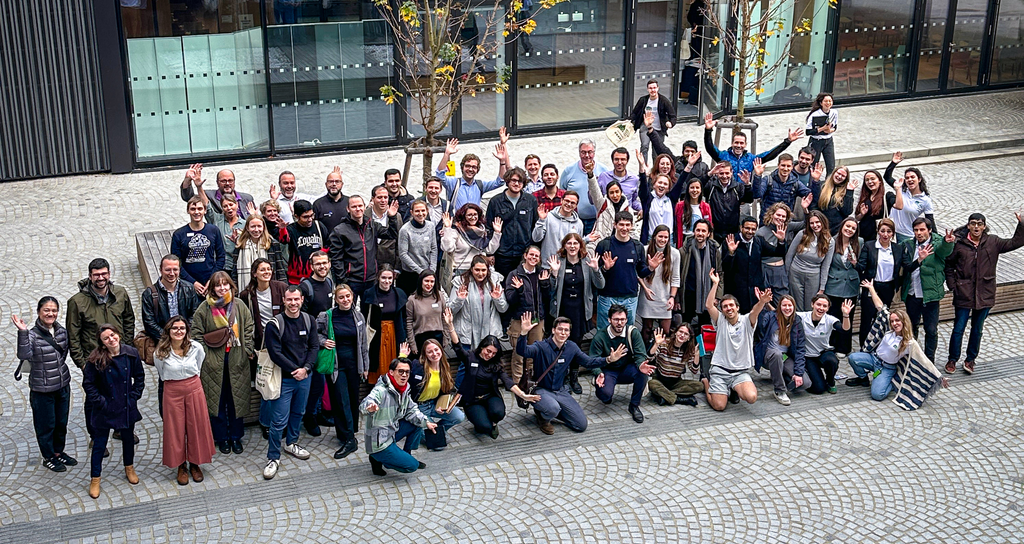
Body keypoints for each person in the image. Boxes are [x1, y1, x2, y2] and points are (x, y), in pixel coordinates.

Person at [67, 258, 136, 451]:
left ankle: (122, 428)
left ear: (109, 274)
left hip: (119, 357)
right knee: (95, 400)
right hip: (94, 361)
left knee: (122, 393)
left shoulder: (120, 293)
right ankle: (96, 436)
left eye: (104, 273)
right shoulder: (77, 302)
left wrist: (127, 347)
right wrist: (83, 364)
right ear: (90, 276)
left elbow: (129, 319)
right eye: (96, 274)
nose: (101, 277)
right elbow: (73, 336)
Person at [517, 311, 625, 434]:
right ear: (553, 330)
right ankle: (543, 417)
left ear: (569, 333)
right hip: (542, 389)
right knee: (552, 408)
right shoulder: (541, 346)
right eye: (560, 329)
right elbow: (523, 351)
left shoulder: (571, 347)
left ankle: (554, 410)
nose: (563, 333)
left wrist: (608, 359)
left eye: (566, 330)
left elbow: (588, 362)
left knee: (581, 425)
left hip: (560, 390)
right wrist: (523, 333)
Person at [944, 212, 1024, 374]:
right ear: (968, 226)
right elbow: (948, 264)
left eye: (979, 224)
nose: (976, 227)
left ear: (984, 226)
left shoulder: (993, 242)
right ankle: (952, 359)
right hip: (964, 293)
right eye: (973, 223)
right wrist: (953, 285)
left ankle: (970, 360)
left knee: (977, 329)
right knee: (958, 328)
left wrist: (1022, 225)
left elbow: (1015, 242)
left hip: (985, 293)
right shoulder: (959, 244)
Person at [193, 271, 255, 455]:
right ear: (212, 287)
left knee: (237, 400)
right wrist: (207, 357)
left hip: (237, 359)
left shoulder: (239, 305)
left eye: (225, 284)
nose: (222, 288)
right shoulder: (204, 308)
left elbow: (249, 327)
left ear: (231, 286)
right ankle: (221, 438)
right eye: (218, 285)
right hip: (214, 362)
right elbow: (196, 334)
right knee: (217, 401)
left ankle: (236, 437)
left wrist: (247, 350)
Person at [262, 285, 318, 480]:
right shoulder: (274, 324)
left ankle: (291, 443)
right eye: (289, 300)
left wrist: (307, 368)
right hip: (284, 379)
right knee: (278, 421)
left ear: (302, 300)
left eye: (297, 300)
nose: (293, 303)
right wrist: (295, 370)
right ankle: (273, 457)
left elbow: (314, 346)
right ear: (283, 301)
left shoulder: (309, 320)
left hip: (304, 377)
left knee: (298, 413)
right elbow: (274, 353)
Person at [82, 325, 145, 499]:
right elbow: (88, 384)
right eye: (106, 338)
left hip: (125, 405)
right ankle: (95, 478)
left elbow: (139, 377)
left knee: (127, 439)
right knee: (99, 445)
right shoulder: (95, 359)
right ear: (101, 342)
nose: (111, 339)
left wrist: (133, 397)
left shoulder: (131, 353)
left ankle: (129, 467)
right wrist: (100, 402)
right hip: (104, 408)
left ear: (118, 334)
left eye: (112, 335)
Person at [13, 297, 75, 472]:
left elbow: (63, 355)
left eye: (54, 310)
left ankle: (58, 452)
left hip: (62, 385)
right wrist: (23, 332)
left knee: (61, 422)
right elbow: (24, 354)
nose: (50, 313)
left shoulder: (61, 332)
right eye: (46, 310)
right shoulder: (31, 335)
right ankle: (48, 456)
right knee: (46, 424)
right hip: (42, 390)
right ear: (39, 311)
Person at [152, 316, 216, 486]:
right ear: (168, 331)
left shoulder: (196, 347)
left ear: (187, 330)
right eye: (175, 328)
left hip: (193, 388)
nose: (179, 331)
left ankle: (195, 464)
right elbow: (161, 373)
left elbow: (199, 366)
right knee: (176, 429)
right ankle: (181, 466)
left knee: (196, 426)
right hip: (172, 391)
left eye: (182, 328)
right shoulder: (160, 352)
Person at [848, 281, 934, 401]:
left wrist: (939, 378)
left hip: (887, 368)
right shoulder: (889, 327)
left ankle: (894, 381)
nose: (894, 323)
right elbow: (880, 306)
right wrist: (871, 288)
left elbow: (923, 360)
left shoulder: (909, 342)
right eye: (893, 321)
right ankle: (863, 378)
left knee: (877, 395)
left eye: (897, 321)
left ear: (904, 321)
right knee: (853, 358)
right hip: (874, 359)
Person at [702, 270, 773, 411]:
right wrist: (715, 284)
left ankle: (732, 389)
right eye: (725, 307)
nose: (728, 308)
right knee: (719, 406)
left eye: (731, 305)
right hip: (720, 371)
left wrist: (762, 302)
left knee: (751, 398)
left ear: (737, 307)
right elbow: (709, 306)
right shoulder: (720, 321)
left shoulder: (747, 321)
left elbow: (754, 312)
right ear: (722, 310)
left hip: (740, 372)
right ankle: (706, 382)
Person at [360, 358, 438, 476]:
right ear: (391, 372)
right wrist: (369, 407)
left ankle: (405, 454)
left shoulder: (404, 389)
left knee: (417, 424)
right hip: (380, 441)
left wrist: (426, 422)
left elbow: (411, 410)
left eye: (407, 372)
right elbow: (365, 403)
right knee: (412, 466)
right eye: (400, 371)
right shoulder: (381, 390)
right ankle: (379, 458)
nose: (404, 375)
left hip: (392, 432)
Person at [547, 233, 605, 394]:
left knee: (575, 345)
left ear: (580, 246)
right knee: (560, 344)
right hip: (563, 310)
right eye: (569, 243)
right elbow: (551, 289)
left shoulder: (586, 263)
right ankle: (562, 377)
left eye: (576, 243)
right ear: (564, 246)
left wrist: (596, 269)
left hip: (579, 310)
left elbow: (600, 284)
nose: (572, 246)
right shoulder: (559, 262)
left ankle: (574, 377)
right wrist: (554, 273)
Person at [316, 283, 369, 459]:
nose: (345, 300)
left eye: (348, 296)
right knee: (341, 400)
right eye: (341, 297)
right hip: (336, 366)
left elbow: (363, 344)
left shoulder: (358, 316)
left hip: (354, 365)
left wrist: (365, 367)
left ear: (352, 296)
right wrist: (323, 341)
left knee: (353, 400)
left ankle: (346, 430)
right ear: (336, 299)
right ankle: (349, 440)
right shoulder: (327, 316)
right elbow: (314, 334)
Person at [898, 219, 955, 363]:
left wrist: (948, 242)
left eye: (922, 230)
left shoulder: (936, 243)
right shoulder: (908, 245)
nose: (919, 233)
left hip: (930, 295)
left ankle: (930, 360)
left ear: (929, 230)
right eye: (916, 230)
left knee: (931, 330)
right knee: (911, 328)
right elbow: (906, 266)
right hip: (912, 294)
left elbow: (944, 250)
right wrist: (919, 259)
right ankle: (912, 357)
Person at [589, 305, 655, 423]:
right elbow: (593, 359)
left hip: (627, 368)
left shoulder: (632, 333)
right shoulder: (600, 336)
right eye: (616, 320)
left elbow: (640, 354)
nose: (619, 323)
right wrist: (598, 373)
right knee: (605, 395)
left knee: (642, 372)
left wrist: (641, 365)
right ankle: (606, 394)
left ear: (626, 320)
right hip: (608, 371)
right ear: (609, 320)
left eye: (622, 320)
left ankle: (634, 406)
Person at [328, 195, 401, 299]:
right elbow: (336, 258)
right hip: (351, 280)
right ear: (348, 209)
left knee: (369, 312)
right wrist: (342, 281)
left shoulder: (371, 225)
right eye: (354, 207)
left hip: (371, 279)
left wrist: (392, 217)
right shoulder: (340, 231)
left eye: (360, 206)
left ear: (364, 207)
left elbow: (391, 234)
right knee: (348, 310)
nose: (358, 209)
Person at [857, 218, 915, 346]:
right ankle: (864, 346)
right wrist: (854, 263)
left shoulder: (898, 248)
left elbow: (908, 266)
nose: (885, 234)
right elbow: (861, 266)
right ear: (878, 232)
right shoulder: (869, 246)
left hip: (888, 287)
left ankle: (879, 344)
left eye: (889, 231)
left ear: (893, 233)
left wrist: (919, 260)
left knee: (883, 317)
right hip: (872, 285)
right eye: (882, 231)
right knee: (867, 318)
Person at [703, 112, 803, 185]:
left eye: (741, 143)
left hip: (743, 199)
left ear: (745, 144)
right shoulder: (723, 156)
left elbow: (770, 154)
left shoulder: (751, 159)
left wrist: (787, 141)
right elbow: (710, 148)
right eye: (736, 142)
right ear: (732, 143)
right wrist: (708, 130)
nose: (739, 145)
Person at [594, 211, 655, 330]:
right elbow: (596, 275)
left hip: (630, 297)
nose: (624, 228)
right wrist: (605, 268)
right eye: (621, 224)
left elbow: (641, 272)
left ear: (632, 226)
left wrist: (650, 268)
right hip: (607, 297)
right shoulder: (604, 245)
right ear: (614, 225)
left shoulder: (637, 246)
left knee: (627, 331)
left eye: (627, 225)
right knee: (604, 331)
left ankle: (624, 349)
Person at [298, 251, 335, 437]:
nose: (322, 267)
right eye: (317, 264)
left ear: (329, 264)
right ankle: (309, 417)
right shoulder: (306, 287)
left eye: (324, 263)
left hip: (326, 340)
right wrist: (315, 341)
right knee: (314, 384)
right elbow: (300, 317)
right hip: (309, 343)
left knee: (323, 383)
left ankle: (319, 413)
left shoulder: (329, 282)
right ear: (311, 266)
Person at [408, 335, 466, 447]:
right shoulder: (417, 366)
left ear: (441, 350)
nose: (434, 354)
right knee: (437, 445)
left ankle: (436, 430)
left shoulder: (444, 366)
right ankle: (420, 431)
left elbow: (445, 390)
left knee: (459, 416)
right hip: (419, 407)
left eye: (436, 350)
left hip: (434, 404)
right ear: (425, 354)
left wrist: (442, 405)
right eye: (430, 352)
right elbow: (403, 375)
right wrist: (402, 356)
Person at [506, 246, 551, 386]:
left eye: (536, 256)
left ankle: (530, 381)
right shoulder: (514, 275)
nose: (533, 258)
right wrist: (519, 290)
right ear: (525, 255)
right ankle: (517, 383)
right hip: (520, 319)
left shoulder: (542, 274)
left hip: (537, 320)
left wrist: (545, 285)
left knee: (533, 353)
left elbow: (548, 298)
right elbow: (510, 300)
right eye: (531, 254)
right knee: (518, 353)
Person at [238, 258, 289, 380]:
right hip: (260, 341)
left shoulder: (282, 288)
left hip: (282, 338)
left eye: (268, 269)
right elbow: (245, 321)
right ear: (254, 273)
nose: (267, 272)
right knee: (264, 378)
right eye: (262, 270)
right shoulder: (247, 294)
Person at [723, 216, 786, 313]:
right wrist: (731, 253)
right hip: (736, 291)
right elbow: (725, 268)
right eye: (747, 228)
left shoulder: (759, 241)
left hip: (754, 292)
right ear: (741, 228)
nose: (750, 231)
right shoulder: (731, 240)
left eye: (753, 229)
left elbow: (778, 253)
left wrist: (781, 241)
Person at [486, 167, 539, 281]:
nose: (516, 184)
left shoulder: (531, 201)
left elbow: (535, 226)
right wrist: (490, 253)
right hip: (502, 254)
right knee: (502, 285)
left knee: (524, 285)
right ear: (507, 181)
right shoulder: (496, 201)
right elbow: (488, 228)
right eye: (513, 180)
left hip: (523, 254)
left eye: (520, 181)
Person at [752, 295, 806, 406]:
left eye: (789, 305)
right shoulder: (770, 317)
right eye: (784, 305)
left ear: (794, 307)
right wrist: (762, 303)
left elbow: (800, 348)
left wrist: (798, 373)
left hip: (785, 356)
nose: (787, 308)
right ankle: (779, 390)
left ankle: (779, 375)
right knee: (776, 354)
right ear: (779, 307)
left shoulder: (797, 321)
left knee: (805, 383)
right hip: (769, 354)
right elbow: (759, 323)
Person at [796, 295, 853, 395]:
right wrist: (765, 303)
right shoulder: (802, 316)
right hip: (809, 356)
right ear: (812, 304)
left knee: (832, 361)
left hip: (824, 353)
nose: (821, 308)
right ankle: (810, 374)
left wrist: (846, 315)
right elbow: (783, 313)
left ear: (828, 308)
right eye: (818, 304)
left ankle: (830, 381)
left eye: (824, 306)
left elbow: (845, 329)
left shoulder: (830, 320)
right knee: (818, 389)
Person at [449, 255, 508, 350]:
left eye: (483, 270)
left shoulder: (494, 281)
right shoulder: (460, 282)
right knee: (465, 363)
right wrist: (459, 300)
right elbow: (450, 310)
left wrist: (497, 299)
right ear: (471, 269)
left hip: (489, 333)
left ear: (487, 270)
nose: (480, 273)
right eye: (477, 270)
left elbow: (503, 309)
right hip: (467, 334)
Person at [361, 264, 408, 383]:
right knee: (377, 364)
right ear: (378, 277)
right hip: (376, 335)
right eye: (383, 278)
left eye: (389, 278)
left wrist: (405, 337)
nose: (386, 281)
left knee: (395, 364)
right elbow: (364, 315)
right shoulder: (369, 293)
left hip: (395, 333)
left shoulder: (400, 293)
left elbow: (403, 318)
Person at [171, 196, 226, 297]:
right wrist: (193, 283)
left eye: (200, 209)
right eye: (193, 209)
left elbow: (221, 257)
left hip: (211, 281)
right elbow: (176, 263)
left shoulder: (213, 230)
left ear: (205, 210)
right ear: (188, 211)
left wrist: (212, 279)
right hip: (187, 284)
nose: (197, 212)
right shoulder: (178, 234)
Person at [435, 137, 507, 213]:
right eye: (467, 166)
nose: (470, 169)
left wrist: (502, 161)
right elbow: (440, 175)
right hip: (457, 223)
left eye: (474, 167)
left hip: (474, 222)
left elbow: (500, 182)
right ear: (462, 167)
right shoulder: (454, 183)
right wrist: (447, 154)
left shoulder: (480, 185)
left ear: (477, 170)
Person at [440, 204, 502, 290]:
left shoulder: (481, 231)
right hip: (461, 270)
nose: (473, 217)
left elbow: (490, 250)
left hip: (478, 271)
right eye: (469, 215)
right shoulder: (457, 230)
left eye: (475, 214)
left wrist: (497, 233)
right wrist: (447, 229)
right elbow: (448, 248)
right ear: (463, 216)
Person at [823, 218, 862, 355]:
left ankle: (844, 347)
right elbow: (827, 263)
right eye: (848, 226)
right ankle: (831, 344)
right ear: (842, 226)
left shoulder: (859, 243)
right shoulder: (832, 241)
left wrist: (855, 263)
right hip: (834, 284)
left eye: (853, 228)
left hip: (850, 284)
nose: (849, 230)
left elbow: (862, 265)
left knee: (847, 317)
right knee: (832, 316)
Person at [785, 210, 835, 312]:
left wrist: (822, 287)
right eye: (812, 223)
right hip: (795, 273)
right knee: (797, 305)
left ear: (822, 222)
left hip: (813, 276)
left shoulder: (830, 241)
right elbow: (789, 256)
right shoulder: (802, 234)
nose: (815, 225)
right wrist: (786, 275)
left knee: (810, 306)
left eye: (817, 222)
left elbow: (826, 266)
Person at [756, 202, 805, 304]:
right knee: (765, 302)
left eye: (783, 216)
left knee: (782, 300)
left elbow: (806, 224)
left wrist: (805, 209)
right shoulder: (761, 232)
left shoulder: (788, 227)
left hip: (780, 270)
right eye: (778, 215)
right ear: (772, 215)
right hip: (765, 269)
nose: (780, 218)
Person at [638, 226, 679, 345]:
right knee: (647, 328)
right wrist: (645, 289)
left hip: (665, 297)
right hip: (648, 295)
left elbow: (675, 278)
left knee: (665, 330)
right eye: (660, 236)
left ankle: (661, 354)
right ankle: (646, 353)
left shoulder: (675, 253)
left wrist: (672, 297)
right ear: (654, 236)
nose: (663, 239)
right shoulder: (644, 250)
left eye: (666, 237)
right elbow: (638, 273)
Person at [676, 219, 723, 326]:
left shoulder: (714, 250)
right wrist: (677, 299)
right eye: (698, 230)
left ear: (708, 234)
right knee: (686, 326)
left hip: (708, 294)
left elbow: (720, 273)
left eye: (703, 231)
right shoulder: (684, 251)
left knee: (705, 326)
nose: (700, 233)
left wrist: (718, 296)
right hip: (688, 294)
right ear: (694, 232)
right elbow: (677, 275)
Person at [560, 139, 611, 234]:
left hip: (597, 221)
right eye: (583, 152)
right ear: (579, 153)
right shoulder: (569, 171)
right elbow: (562, 193)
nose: (587, 156)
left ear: (594, 153)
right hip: (573, 220)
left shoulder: (603, 170)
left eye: (589, 152)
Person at [884, 152, 935, 242]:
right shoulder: (901, 188)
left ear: (919, 179)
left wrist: (935, 239)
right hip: (890, 231)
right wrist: (893, 163)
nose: (910, 180)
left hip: (906, 235)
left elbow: (930, 221)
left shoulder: (925, 200)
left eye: (912, 177)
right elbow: (887, 177)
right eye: (907, 178)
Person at [647, 324, 703, 406]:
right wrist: (656, 344)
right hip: (660, 380)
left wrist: (697, 355)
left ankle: (664, 396)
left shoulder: (688, 350)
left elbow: (694, 370)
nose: (682, 335)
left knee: (699, 386)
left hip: (676, 382)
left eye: (686, 334)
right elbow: (649, 358)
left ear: (689, 338)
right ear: (676, 332)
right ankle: (680, 399)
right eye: (680, 331)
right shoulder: (664, 343)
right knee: (652, 384)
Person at [278, 200, 328, 285]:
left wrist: (320, 253)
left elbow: (329, 244)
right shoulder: (291, 229)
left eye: (312, 215)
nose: (309, 219)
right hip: (297, 279)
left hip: (317, 275)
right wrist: (282, 229)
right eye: (305, 217)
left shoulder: (319, 226)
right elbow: (284, 241)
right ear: (296, 216)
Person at [196, 190, 245, 274]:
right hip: (219, 266)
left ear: (236, 205)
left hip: (238, 266)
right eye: (225, 206)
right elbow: (207, 206)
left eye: (231, 205)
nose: (229, 208)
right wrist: (199, 187)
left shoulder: (245, 224)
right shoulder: (217, 219)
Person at [232, 214, 288, 287]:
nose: (256, 230)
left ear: (263, 227)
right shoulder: (240, 245)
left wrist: (284, 288)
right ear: (247, 228)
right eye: (253, 226)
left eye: (259, 226)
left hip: (270, 287)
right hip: (245, 287)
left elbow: (280, 269)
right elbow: (234, 272)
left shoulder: (272, 244)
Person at [703, 161, 753, 243]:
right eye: (721, 173)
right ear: (717, 174)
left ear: (731, 173)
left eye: (727, 173)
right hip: (714, 231)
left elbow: (748, 200)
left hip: (732, 231)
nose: (724, 176)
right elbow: (698, 185)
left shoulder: (738, 187)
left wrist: (747, 185)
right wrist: (709, 174)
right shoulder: (711, 186)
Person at [180, 164, 254, 217]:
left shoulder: (247, 198)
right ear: (217, 182)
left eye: (230, 180)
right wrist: (187, 180)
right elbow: (188, 197)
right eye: (223, 181)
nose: (227, 183)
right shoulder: (208, 195)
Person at [533, 191, 584, 268]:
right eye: (567, 201)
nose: (569, 204)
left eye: (573, 203)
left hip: (567, 267)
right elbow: (536, 238)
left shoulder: (579, 223)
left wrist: (586, 240)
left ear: (576, 205)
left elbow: (577, 246)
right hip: (548, 265)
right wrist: (541, 221)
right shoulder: (548, 217)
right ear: (561, 201)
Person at [398, 200, 439, 296]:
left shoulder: (431, 226)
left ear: (427, 211)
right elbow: (403, 254)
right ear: (411, 212)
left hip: (428, 272)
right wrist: (421, 271)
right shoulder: (405, 230)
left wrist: (431, 270)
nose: (420, 214)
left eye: (423, 210)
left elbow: (433, 248)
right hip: (411, 273)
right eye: (417, 211)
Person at [631, 79, 676, 163]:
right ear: (647, 89)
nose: (653, 90)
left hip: (659, 129)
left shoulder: (664, 101)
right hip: (645, 127)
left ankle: (656, 171)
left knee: (657, 151)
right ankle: (643, 168)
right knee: (644, 146)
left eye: (654, 88)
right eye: (650, 88)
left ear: (658, 88)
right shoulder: (643, 100)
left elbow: (673, 115)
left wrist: (670, 123)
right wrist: (629, 122)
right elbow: (634, 113)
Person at [405, 271, 448, 357]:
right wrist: (412, 343)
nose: (429, 284)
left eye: (432, 281)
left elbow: (444, 318)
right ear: (421, 281)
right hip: (421, 338)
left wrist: (446, 337)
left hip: (438, 336)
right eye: (426, 281)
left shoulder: (440, 296)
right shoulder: (412, 300)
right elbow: (409, 323)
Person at [637, 169, 686, 244]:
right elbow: (643, 185)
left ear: (668, 188)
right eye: (660, 182)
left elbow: (680, 182)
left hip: (669, 239)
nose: (662, 185)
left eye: (665, 184)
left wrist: (689, 166)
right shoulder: (648, 198)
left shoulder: (671, 198)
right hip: (651, 239)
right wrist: (642, 170)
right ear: (654, 185)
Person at [596, 148, 642, 213]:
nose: (619, 162)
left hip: (626, 220)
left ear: (627, 161)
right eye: (616, 159)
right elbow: (594, 200)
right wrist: (592, 181)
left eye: (623, 159)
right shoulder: (603, 177)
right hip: (607, 218)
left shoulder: (634, 179)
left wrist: (642, 209)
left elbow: (633, 201)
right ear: (612, 160)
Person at [587, 176, 630, 245]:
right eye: (611, 193)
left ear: (621, 192)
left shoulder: (627, 209)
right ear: (608, 194)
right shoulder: (602, 204)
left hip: (620, 243)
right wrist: (590, 175)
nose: (615, 195)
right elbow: (594, 191)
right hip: (600, 242)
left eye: (617, 192)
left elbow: (632, 230)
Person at [816, 167, 857, 236]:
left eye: (843, 176)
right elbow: (815, 205)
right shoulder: (822, 185)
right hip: (821, 226)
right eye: (838, 173)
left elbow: (847, 211)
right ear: (834, 173)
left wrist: (849, 192)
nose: (839, 177)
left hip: (836, 230)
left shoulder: (846, 192)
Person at [369, 185, 401, 270]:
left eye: (385, 197)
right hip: (369, 263)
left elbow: (399, 241)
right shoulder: (365, 215)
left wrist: (397, 267)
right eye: (379, 197)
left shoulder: (396, 216)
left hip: (388, 263)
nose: (383, 200)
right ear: (373, 199)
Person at [675, 174, 714, 243]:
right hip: (684, 239)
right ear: (688, 190)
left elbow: (709, 226)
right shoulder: (680, 205)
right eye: (692, 187)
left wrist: (710, 243)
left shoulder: (706, 206)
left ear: (701, 190)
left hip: (700, 239)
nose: (695, 190)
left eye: (697, 187)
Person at [805, 93, 838, 174]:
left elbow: (835, 126)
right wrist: (822, 129)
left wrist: (831, 130)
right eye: (826, 101)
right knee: (813, 164)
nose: (828, 103)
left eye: (830, 101)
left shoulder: (834, 112)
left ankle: (829, 184)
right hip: (816, 141)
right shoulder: (815, 114)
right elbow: (808, 131)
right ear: (821, 103)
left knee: (831, 165)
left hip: (828, 140)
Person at [312, 166, 349, 233]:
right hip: (327, 243)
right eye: (331, 182)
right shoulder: (318, 204)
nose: (334, 184)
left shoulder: (349, 202)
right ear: (326, 184)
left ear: (342, 184)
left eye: (337, 182)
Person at [855, 169, 887, 243]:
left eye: (872, 179)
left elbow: (899, 206)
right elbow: (857, 218)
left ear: (879, 181)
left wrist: (897, 189)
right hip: (862, 235)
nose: (870, 182)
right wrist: (862, 214)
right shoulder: (865, 197)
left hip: (877, 236)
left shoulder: (885, 197)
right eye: (867, 180)